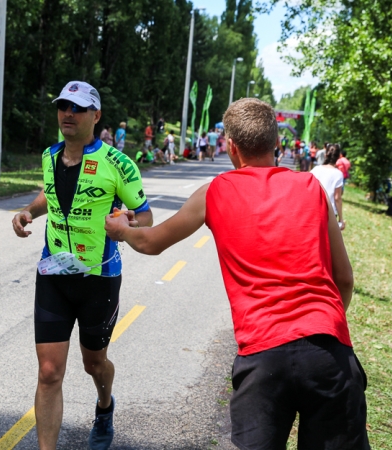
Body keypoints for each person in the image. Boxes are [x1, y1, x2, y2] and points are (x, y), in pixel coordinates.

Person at [105, 98, 369, 450]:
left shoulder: (215, 191)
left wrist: (121, 229)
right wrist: (325, 326)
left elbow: (151, 242)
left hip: (263, 359)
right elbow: (345, 279)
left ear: (230, 146)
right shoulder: (312, 188)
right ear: (277, 143)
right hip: (329, 352)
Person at [12, 80, 153, 450]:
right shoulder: (49, 155)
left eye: (76, 108)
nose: (67, 114)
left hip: (99, 279)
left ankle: (104, 406)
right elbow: (50, 192)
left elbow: (146, 216)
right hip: (54, 275)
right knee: (49, 372)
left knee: (95, 363)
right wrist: (29, 210)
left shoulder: (118, 163)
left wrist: (126, 225)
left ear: (96, 115)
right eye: (63, 107)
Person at [311, 144, 345, 230]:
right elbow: (337, 198)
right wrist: (341, 219)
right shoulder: (338, 174)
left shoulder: (316, 170)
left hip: (314, 209)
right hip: (330, 213)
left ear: (326, 154)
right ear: (338, 157)